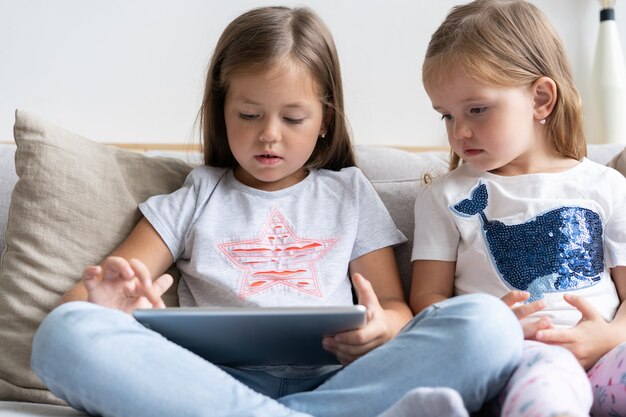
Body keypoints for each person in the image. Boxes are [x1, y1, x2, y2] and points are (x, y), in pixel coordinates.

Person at [30, 6, 523, 417]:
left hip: (338, 380)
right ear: (223, 113)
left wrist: (380, 329)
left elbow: (396, 310)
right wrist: (110, 303)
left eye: (292, 118)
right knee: (63, 334)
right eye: (248, 115)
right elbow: (77, 303)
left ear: (326, 120)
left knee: (488, 326)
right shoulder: (198, 194)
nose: (269, 134)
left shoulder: (349, 193)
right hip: (205, 384)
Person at [411, 1, 626, 417]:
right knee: (548, 392)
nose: (460, 132)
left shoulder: (607, 187)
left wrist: (611, 336)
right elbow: (427, 297)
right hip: (518, 359)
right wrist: (486, 325)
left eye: (477, 109)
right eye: (446, 116)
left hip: (606, 352)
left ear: (541, 99)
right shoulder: (444, 198)